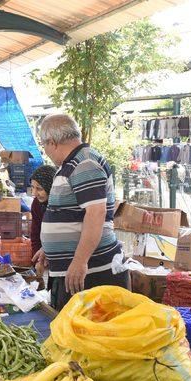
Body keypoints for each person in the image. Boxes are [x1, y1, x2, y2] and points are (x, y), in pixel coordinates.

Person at [36, 114, 127, 311]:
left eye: (44, 145)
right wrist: (50, 249)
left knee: (86, 336)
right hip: (78, 272)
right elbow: (71, 214)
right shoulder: (72, 164)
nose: (46, 151)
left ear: (52, 142)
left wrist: (79, 261)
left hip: (92, 273)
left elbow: (96, 213)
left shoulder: (84, 163)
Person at [28, 165, 57, 297]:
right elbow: (35, 234)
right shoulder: (36, 204)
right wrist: (38, 261)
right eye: (32, 187)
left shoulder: (60, 205)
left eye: (39, 188)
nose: (34, 193)